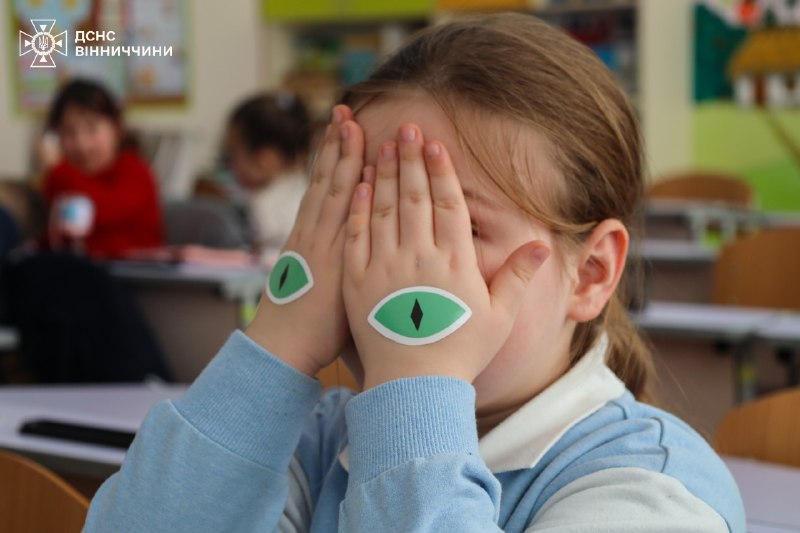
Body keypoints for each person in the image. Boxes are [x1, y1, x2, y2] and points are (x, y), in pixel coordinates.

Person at [84, 14, 745, 532]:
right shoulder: (311, 438)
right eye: (361, 215)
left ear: (591, 273)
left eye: (453, 228)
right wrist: (278, 343)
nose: (389, 268)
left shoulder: (655, 491)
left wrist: (414, 396)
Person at [41, 78, 164, 259]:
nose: (82, 144)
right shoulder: (62, 177)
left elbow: (103, 211)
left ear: (117, 128)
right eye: (69, 132)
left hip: (132, 272)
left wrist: (57, 169)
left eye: (92, 129)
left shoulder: (135, 171)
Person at [223, 91, 311, 262]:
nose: (230, 166)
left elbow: (270, 258)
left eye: (232, 155)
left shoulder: (269, 201)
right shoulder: (304, 186)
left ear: (265, 160)